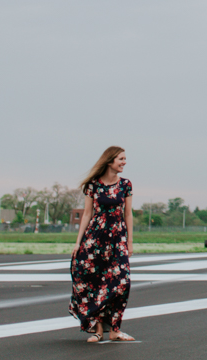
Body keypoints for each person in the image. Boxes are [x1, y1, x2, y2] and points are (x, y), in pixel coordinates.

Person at [70, 146, 135, 343]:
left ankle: (115, 328)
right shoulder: (93, 185)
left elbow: (128, 214)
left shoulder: (126, 185)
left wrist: (130, 241)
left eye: (125, 159)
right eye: (121, 159)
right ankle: (99, 330)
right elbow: (87, 214)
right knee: (95, 282)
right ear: (109, 161)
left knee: (122, 282)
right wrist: (78, 242)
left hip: (117, 241)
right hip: (95, 240)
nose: (124, 162)